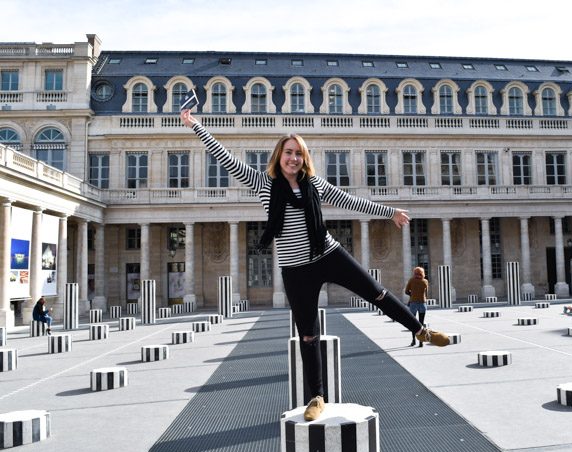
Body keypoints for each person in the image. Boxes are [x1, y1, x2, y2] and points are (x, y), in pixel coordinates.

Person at [180, 109, 450, 421]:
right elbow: (226, 158)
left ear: (304, 158)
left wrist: (389, 211)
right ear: (279, 156)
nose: (293, 158)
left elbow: (349, 200)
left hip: (328, 254)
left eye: (298, 154)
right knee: (308, 335)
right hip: (295, 270)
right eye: (288, 153)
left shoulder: (314, 184)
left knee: (377, 293)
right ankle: (316, 397)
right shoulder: (263, 184)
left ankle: (420, 331)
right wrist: (196, 125)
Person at [405, 267, 429, 347]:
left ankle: (413, 340)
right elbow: (426, 293)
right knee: (421, 323)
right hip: (422, 303)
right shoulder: (425, 281)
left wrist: (412, 295)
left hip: (413, 303)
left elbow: (406, 291)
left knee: (413, 323)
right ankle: (421, 341)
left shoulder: (411, 280)